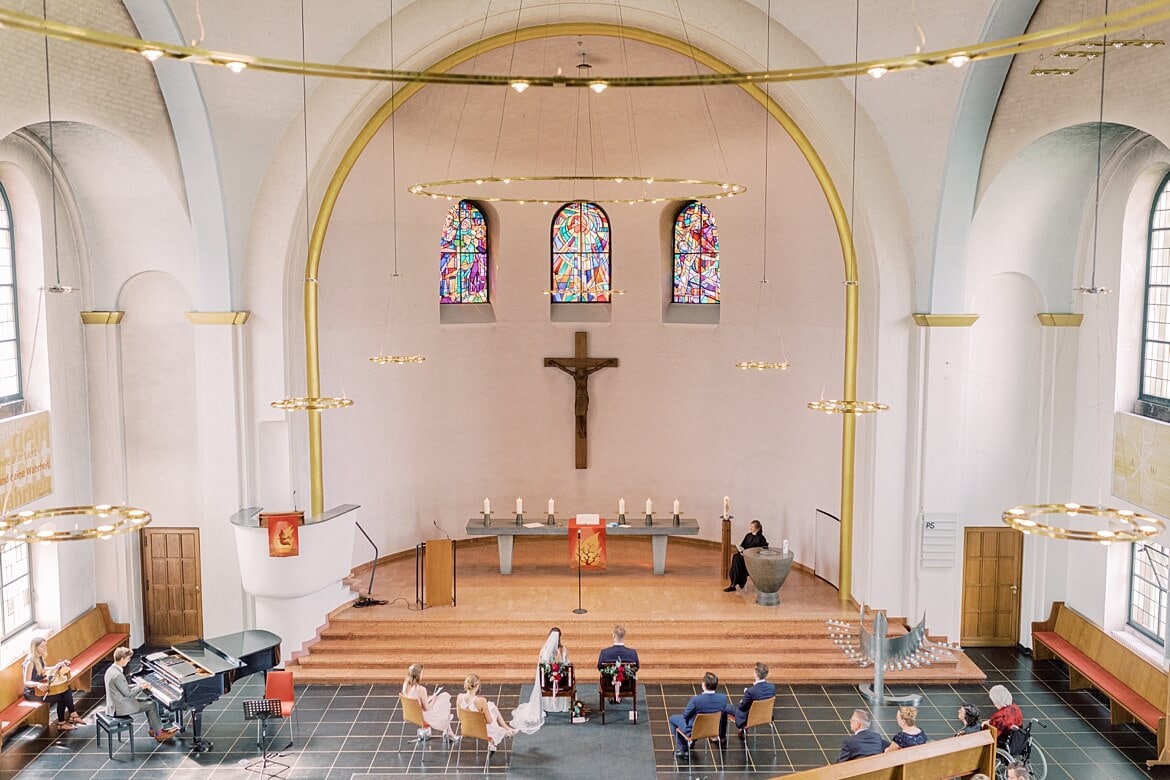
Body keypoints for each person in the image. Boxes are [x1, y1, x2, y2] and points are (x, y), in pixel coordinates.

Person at [104, 647, 179, 742]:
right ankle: (159, 734)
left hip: (115, 704)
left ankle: (153, 729)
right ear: (122, 659)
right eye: (128, 659)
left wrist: (138, 684)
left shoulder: (111, 670)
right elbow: (127, 693)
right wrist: (142, 687)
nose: (129, 661)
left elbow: (123, 688)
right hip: (120, 708)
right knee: (151, 705)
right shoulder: (118, 675)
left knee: (148, 701)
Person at [668, 671, 738, 760]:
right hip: (713, 729)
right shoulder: (722, 698)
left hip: (695, 730)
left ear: (704, 685)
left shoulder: (696, 700)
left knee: (673, 719)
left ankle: (684, 750)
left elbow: (685, 715)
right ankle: (698, 739)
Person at [512, 627, 570, 733]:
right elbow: (567, 666)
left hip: (546, 683)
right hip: (561, 682)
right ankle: (561, 705)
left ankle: (548, 705)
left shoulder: (544, 651)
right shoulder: (563, 651)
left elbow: (541, 669)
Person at [22, 637, 84, 730]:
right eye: (42, 647)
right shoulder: (30, 662)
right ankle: (62, 723)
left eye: (45, 646)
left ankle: (73, 714)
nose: (45, 648)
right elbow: (26, 682)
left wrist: (56, 666)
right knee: (61, 697)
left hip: (41, 688)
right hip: (33, 692)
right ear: (35, 648)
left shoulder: (39, 657)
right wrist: (37, 684)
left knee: (66, 689)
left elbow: (43, 671)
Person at [457, 673, 516, 752]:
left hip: (467, 729)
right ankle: (504, 731)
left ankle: (506, 729)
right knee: (492, 712)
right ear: (477, 686)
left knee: (492, 706)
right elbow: (489, 721)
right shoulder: (481, 701)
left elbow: (459, 717)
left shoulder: (459, 697)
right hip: (482, 731)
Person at [402, 663, 457, 742]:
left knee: (442, 702)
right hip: (423, 717)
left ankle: (449, 731)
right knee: (445, 697)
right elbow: (427, 708)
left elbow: (415, 701)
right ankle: (449, 732)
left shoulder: (406, 686)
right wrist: (434, 698)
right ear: (419, 675)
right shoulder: (421, 689)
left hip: (412, 715)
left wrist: (427, 699)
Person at [597, 625, 639, 703]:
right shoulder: (632, 653)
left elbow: (600, 667)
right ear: (624, 636)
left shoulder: (605, 653)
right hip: (627, 685)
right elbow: (637, 667)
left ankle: (613, 694)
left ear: (613, 636)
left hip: (609, 685)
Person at [725, 519, 768, 591]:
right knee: (736, 557)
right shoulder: (748, 535)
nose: (750, 528)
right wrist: (741, 551)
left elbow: (761, 551)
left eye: (752, 527)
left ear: (757, 528)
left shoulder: (761, 538)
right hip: (744, 556)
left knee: (736, 559)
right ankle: (735, 583)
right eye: (750, 527)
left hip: (752, 559)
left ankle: (734, 584)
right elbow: (742, 546)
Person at [734, 661, 775, 734]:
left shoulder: (750, 691)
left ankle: (722, 737)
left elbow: (741, 707)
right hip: (766, 716)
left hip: (751, 717)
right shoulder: (772, 687)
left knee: (725, 708)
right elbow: (761, 695)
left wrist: (743, 700)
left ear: (756, 674)